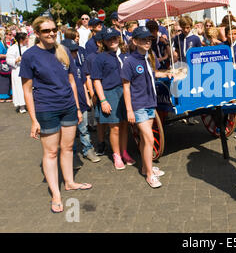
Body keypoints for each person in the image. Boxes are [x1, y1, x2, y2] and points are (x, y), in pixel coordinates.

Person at [20, 17, 92, 214]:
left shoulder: (63, 50)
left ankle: (69, 182)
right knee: (51, 153)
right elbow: (27, 90)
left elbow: (71, 81)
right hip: (46, 109)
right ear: (37, 33)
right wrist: (33, 120)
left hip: (68, 106)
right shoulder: (30, 56)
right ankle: (56, 194)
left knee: (68, 147)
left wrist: (77, 108)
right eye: (45, 31)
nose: (51, 33)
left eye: (53, 29)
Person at [121, 27, 172, 188]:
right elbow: (126, 87)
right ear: (135, 41)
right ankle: (150, 175)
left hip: (151, 103)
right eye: (143, 39)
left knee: (145, 139)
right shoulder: (129, 62)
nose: (147, 42)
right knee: (150, 138)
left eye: (149, 39)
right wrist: (129, 110)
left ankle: (145, 167)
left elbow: (153, 74)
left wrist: (166, 74)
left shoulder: (150, 57)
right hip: (138, 105)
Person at [91, 27, 134, 169]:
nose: (112, 41)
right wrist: (103, 100)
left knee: (124, 125)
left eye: (115, 37)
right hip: (109, 93)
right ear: (103, 41)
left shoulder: (125, 55)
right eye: (109, 39)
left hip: (124, 91)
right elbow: (96, 80)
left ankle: (124, 152)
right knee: (114, 127)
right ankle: (116, 155)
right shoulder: (100, 58)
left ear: (119, 38)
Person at [61, 38, 101, 164]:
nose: (74, 54)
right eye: (71, 51)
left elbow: (83, 83)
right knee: (70, 132)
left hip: (82, 102)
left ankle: (88, 149)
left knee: (83, 129)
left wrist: (87, 98)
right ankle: (72, 155)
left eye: (75, 51)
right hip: (68, 103)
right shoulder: (61, 68)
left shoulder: (78, 66)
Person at [6, 32, 29, 112]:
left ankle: (29, 104)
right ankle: (22, 106)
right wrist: (16, 60)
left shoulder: (27, 47)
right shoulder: (12, 48)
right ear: (21, 40)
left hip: (27, 70)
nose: (27, 40)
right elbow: (8, 60)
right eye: (26, 38)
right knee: (19, 88)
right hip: (17, 70)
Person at [0, 33, 12, 103]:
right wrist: (7, 55)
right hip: (2, 64)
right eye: (8, 34)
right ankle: (2, 97)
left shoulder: (7, 43)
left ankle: (8, 95)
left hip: (7, 64)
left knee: (8, 80)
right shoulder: (0, 43)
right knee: (3, 81)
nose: (9, 36)